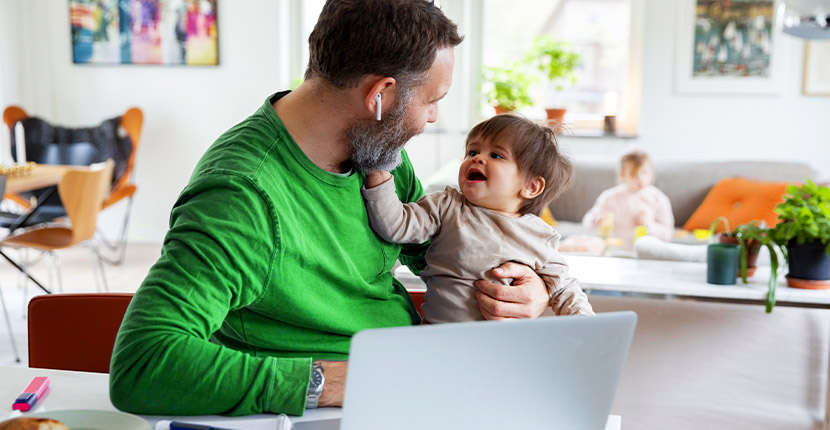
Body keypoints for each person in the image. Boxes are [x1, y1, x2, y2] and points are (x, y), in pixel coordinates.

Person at [109, 0, 553, 418]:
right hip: (333, 408)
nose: (432, 118)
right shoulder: (241, 196)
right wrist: (334, 381)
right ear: (380, 95)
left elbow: (440, 246)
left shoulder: (376, 149)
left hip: (416, 380)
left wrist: (525, 287)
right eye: (432, 101)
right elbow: (144, 362)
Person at [362, 114, 594, 323]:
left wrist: (586, 323)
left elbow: (564, 288)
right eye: (473, 152)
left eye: (496, 155)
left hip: (501, 348)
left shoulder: (539, 235)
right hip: (439, 339)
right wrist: (378, 172)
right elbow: (396, 226)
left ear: (531, 186)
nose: (478, 159)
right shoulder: (446, 204)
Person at [582, 149, 674, 245]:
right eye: (633, 174)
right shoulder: (609, 197)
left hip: (646, 251)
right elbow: (587, 221)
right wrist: (594, 220)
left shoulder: (658, 199)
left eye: (644, 172)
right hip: (615, 249)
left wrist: (649, 225)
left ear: (652, 172)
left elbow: (668, 234)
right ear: (622, 174)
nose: (640, 178)